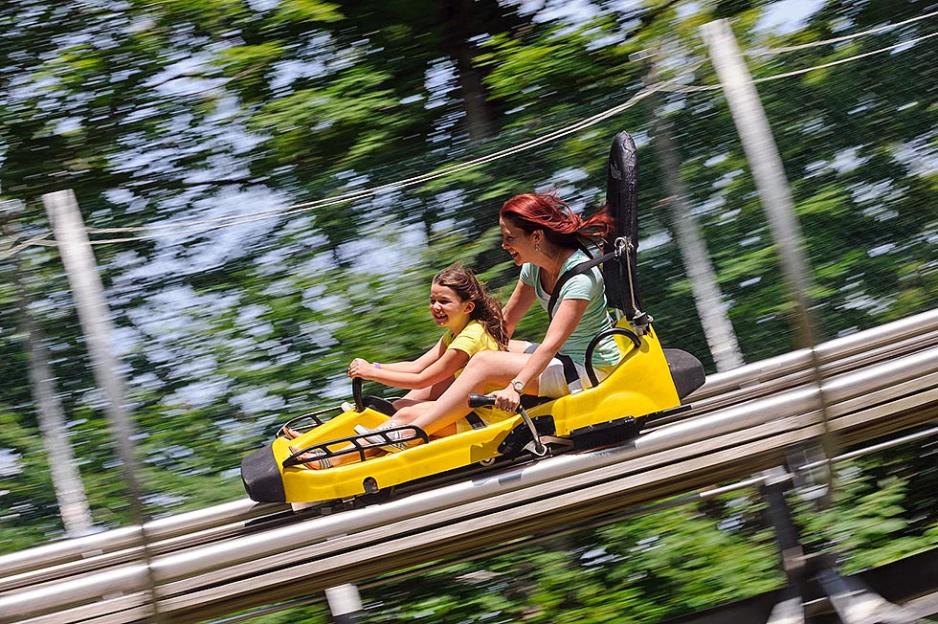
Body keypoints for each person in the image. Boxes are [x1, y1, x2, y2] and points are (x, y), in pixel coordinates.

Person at [360, 192, 621, 445]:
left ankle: (413, 430)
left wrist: (515, 387)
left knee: (484, 362)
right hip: (562, 359)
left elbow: (550, 344)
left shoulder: (580, 280)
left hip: (588, 369)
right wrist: (466, 344)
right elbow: (504, 325)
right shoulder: (534, 269)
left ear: (536, 237)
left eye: (510, 238)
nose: (504, 245)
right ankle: (401, 409)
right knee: (476, 349)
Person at [289, 263, 507, 468]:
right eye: (432, 300)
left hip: (486, 420)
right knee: (399, 406)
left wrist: (371, 373)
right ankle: (326, 445)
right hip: (468, 412)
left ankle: (329, 459)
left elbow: (422, 379)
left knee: (406, 416)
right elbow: (416, 366)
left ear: (468, 306)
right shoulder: (456, 334)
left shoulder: (469, 339)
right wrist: (374, 367)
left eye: (444, 301)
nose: (435, 307)